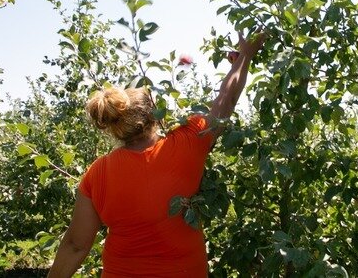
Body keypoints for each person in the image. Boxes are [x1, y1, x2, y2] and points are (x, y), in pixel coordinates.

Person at [47, 32, 265, 278]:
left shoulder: (97, 174)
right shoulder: (187, 143)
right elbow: (227, 99)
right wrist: (244, 56)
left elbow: (75, 245)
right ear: (156, 115)